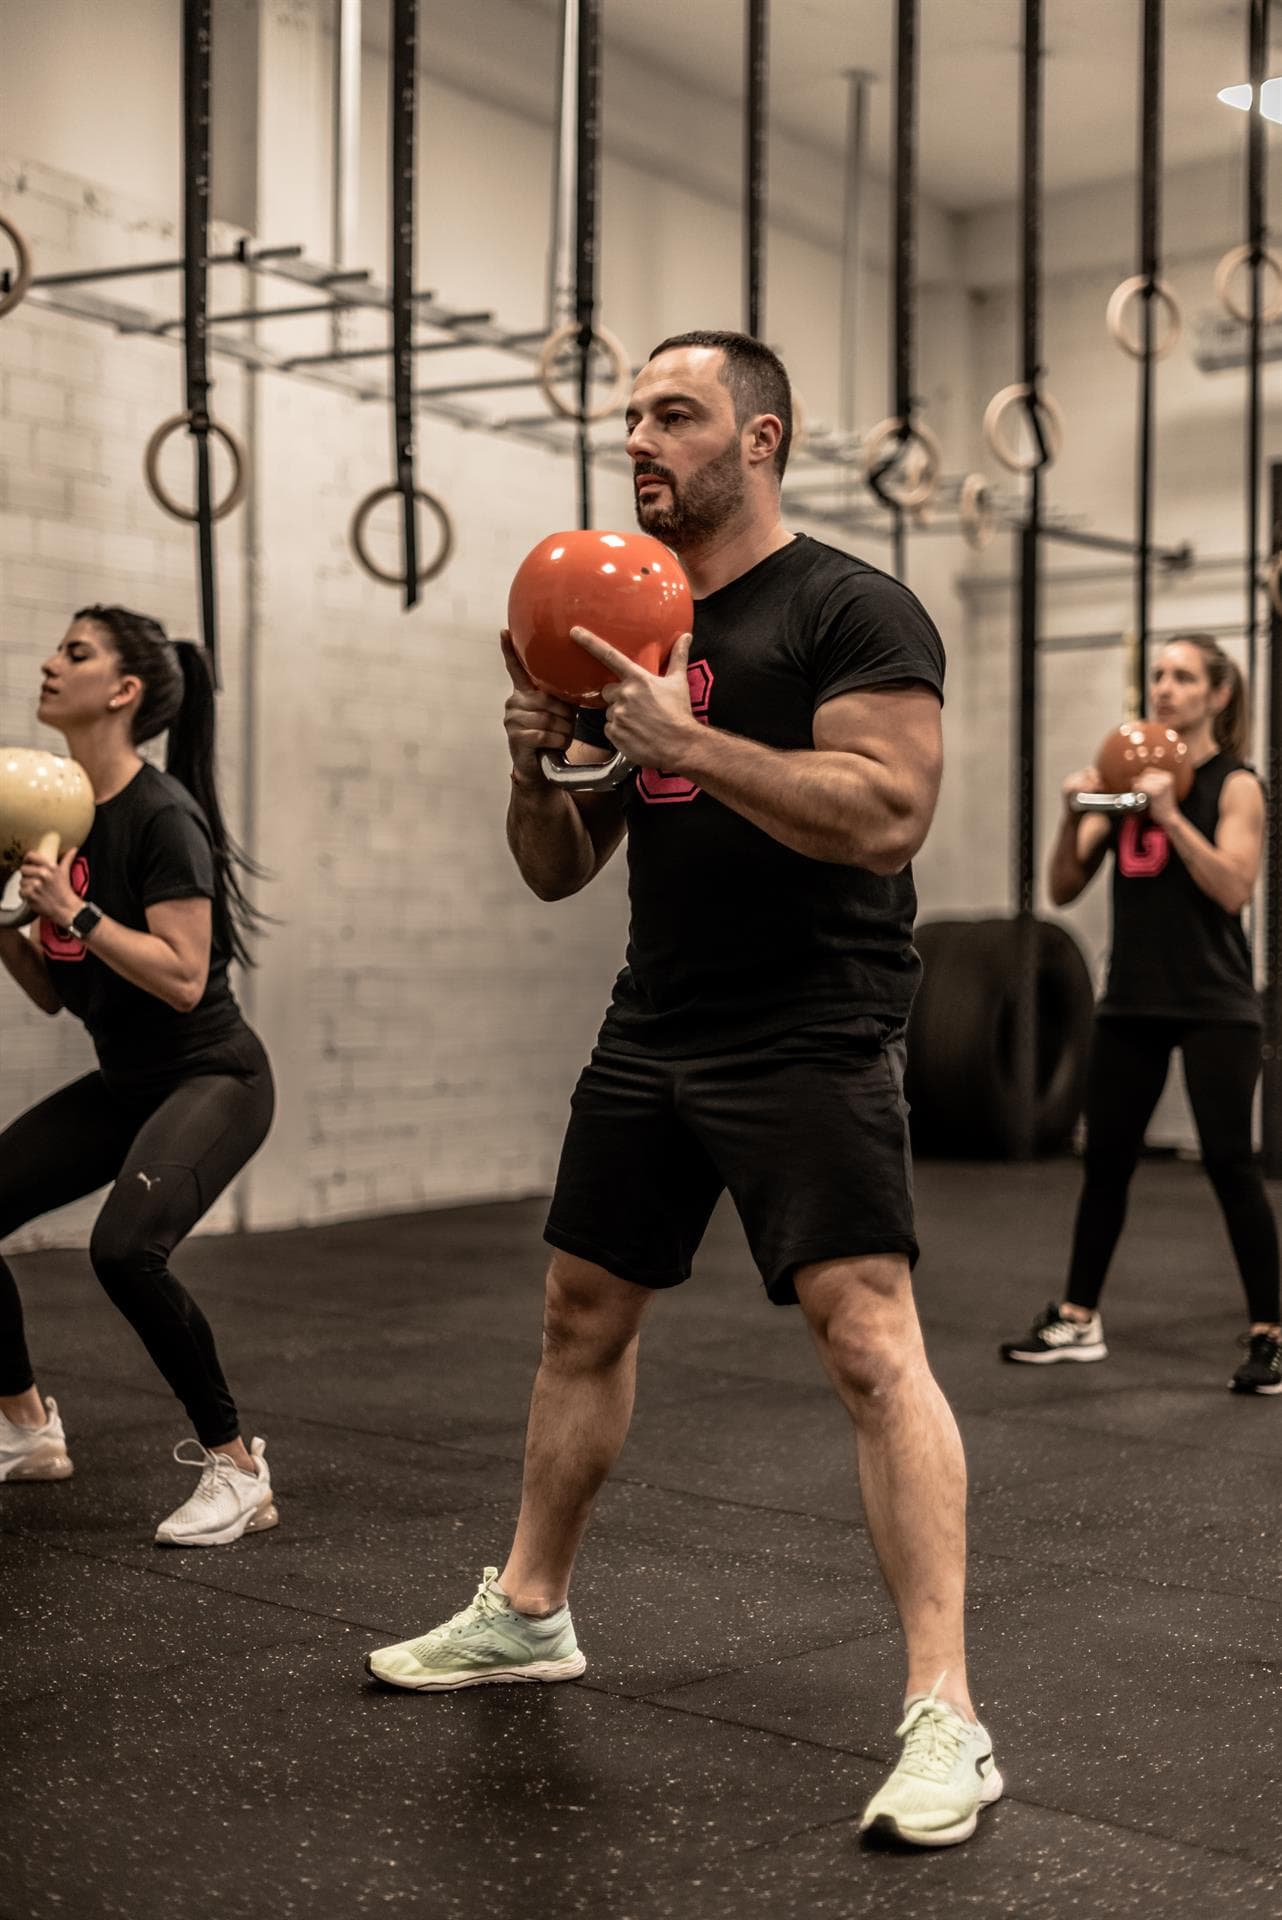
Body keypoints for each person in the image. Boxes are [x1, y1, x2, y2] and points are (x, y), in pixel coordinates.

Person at [367, 331, 1002, 1849]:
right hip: (655, 1014)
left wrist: (685, 737)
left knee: (867, 1342)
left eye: (673, 413)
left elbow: (887, 814)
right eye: (629, 416)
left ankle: (946, 1713)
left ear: (760, 439)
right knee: (580, 1313)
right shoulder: (624, 619)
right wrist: (541, 763)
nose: (638, 438)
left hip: (811, 1020)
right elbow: (556, 872)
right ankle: (528, 1609)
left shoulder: (846, 606)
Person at [0, 605, 280, 1544]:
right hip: (128, 1082)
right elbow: (52, 992)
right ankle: (29, 1429)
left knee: (124, 1250)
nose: (49, 663)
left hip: (213, 1076)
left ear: (122, 692)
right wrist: (7, 917)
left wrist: (74, 915)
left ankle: (238, 1469)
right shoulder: (56, 815)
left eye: (73, 653)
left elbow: (182, 974)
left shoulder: (161, 815)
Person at [1001, 635, 1281, 1393]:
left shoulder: (1235, 784)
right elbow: (1061, 887)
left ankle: (1272, 1331)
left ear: (1218, 695)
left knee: (1229, 1164)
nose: (1165, 687)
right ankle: (1078, 1316)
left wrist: (1171, 814)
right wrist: (1070, 812)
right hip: (1130, 1001)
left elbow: (1234, 888)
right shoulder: (1122, 786)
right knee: (1107, 1164)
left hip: (1216, 1003)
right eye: (1157, 675)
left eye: (1183, 676)